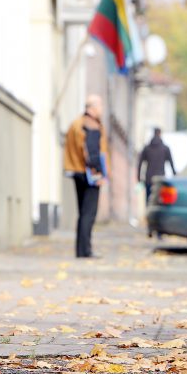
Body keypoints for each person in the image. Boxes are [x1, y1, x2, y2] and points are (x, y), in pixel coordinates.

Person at [64, 95, 108, 258]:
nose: (102, 109)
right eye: (100, 106)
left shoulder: (76, 123)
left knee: (83, 213)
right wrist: (99, 174)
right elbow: (92, 152)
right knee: (89, 213)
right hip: (90, 175)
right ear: (93, 108)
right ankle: (86, 250)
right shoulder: (91, 125)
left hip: (77, 172)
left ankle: (81, 250)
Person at [137, 128, 176, 201]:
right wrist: (175, 175)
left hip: (149, 179)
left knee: (149, 201)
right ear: (160, 134)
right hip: (160, 179)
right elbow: (171, 163)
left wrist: (139, 177)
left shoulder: (147, 148)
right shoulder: (165, 149)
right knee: (160, 202)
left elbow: (140, 163)